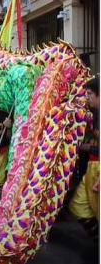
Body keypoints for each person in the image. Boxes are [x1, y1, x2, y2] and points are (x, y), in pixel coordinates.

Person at [69, 77, 100, 238]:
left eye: (89, 94)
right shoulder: (94, 115)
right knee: (78, 205)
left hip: (99, 169)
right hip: (92, 166)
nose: (86, 97)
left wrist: (87, 147)